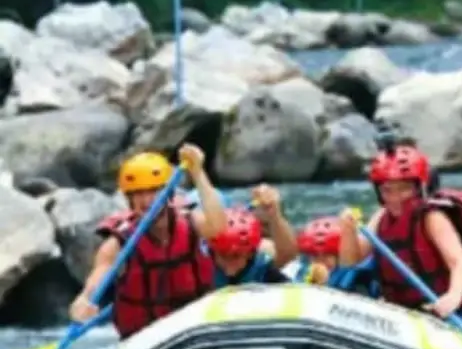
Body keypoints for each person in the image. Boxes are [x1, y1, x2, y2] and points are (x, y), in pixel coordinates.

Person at [70, 145, 227, 339]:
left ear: (169, 193)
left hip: (192, 330)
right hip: (144, 338)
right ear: (129, 199)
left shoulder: (190, 222)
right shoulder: (120, 241)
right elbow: (99, 274)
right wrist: (84, 299)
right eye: (138, 193)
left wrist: (198, 172)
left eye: (153, 191)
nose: (146, 201)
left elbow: (219, 227)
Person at [348, 146, 462, 326]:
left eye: (403, 189)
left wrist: (453, 296)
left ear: (418, 188)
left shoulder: (432, 217)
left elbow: (459, 263)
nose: (395, 198)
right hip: (406, 311)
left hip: (452, 313)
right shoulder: (381, 216)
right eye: (387, 190)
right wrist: (347, 229)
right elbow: (352, 259)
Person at [208, 186, 298, 287]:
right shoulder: (202, 262)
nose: (229, 270)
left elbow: (289, 254)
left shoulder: (260, 264)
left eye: (236, 256)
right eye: (223, 255)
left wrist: (274, 215)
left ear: (250, 254)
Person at [287, 212, 378, 296]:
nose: (321, 262)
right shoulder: (300, 273)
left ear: (339, 255)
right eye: (315, 257)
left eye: (327, 256)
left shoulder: (357, 275)